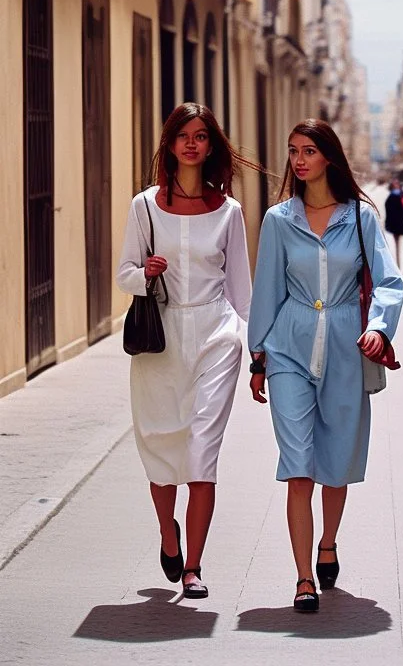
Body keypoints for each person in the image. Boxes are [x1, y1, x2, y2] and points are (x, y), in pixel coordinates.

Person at [247, 119, 403, 613]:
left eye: (308, 150)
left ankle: (328, 542)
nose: (298, 159)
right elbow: (267, 289)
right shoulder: (278, 220)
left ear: (329, 157)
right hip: (289, 349)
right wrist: (258, 356)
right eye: (293, 150)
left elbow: (389, 281)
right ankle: (302, 578)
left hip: (344, 346)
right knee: (298, 464)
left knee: (335, 462)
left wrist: (379, 327)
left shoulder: (360, 218)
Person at [116, 103, 255, 599]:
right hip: (160, 341)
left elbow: (242, 291)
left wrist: (256, 350)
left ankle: (193, 566)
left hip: (216, 335)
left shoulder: (231, 212)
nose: (192, 144)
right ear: (170, 144)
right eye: (183, 136)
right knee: (161, 450)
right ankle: (167, 532)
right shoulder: (144, 206)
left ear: (211, 145)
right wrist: (145, 274)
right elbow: (124, 274)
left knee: (201, 452)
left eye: (201, 136)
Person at [384, 178, 403, 265]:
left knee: (397, 246)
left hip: (393, 225)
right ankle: (399, 264)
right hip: (400, 224)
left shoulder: (390, 197)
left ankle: (398, 264)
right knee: (399, 247)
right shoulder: (399, 195)